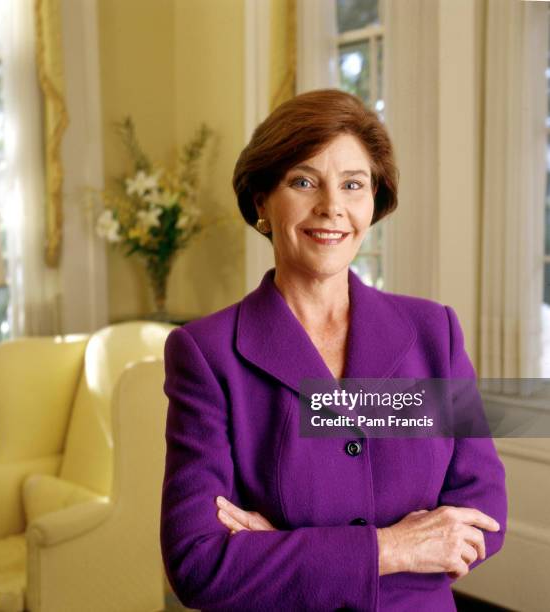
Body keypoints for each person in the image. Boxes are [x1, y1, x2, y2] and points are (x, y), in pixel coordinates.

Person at [160, 88, 507, 612]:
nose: (332, 208)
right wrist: (395, 549)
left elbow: (482, 515)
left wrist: (275, 552)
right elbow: (198, 564)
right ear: (262, 201)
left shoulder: (435, 332)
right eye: (304, 182)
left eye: (353, 185)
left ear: (374, 202)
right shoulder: (206, 354)